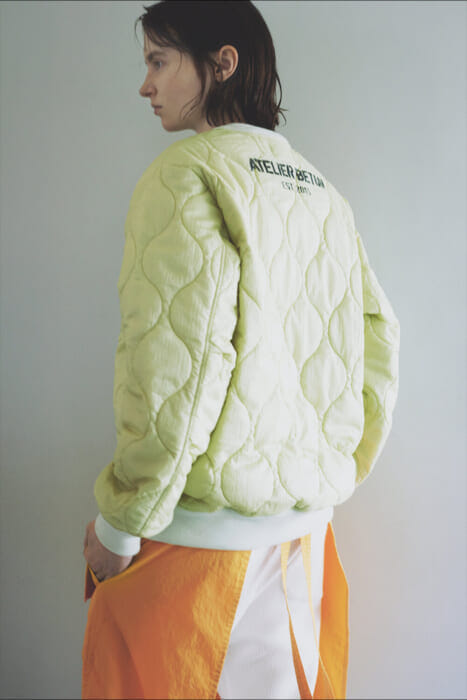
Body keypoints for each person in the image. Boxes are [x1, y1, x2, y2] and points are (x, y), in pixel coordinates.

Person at [82, 1, 401, 698]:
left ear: (221, 63)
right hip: (304, 549)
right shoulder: (323, 193)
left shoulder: (186, 173)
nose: (145, 85)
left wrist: (123, 520)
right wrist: (328, 474)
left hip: (198, 552)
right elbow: (378, 346)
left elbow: (176, 366)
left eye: (158, 61)